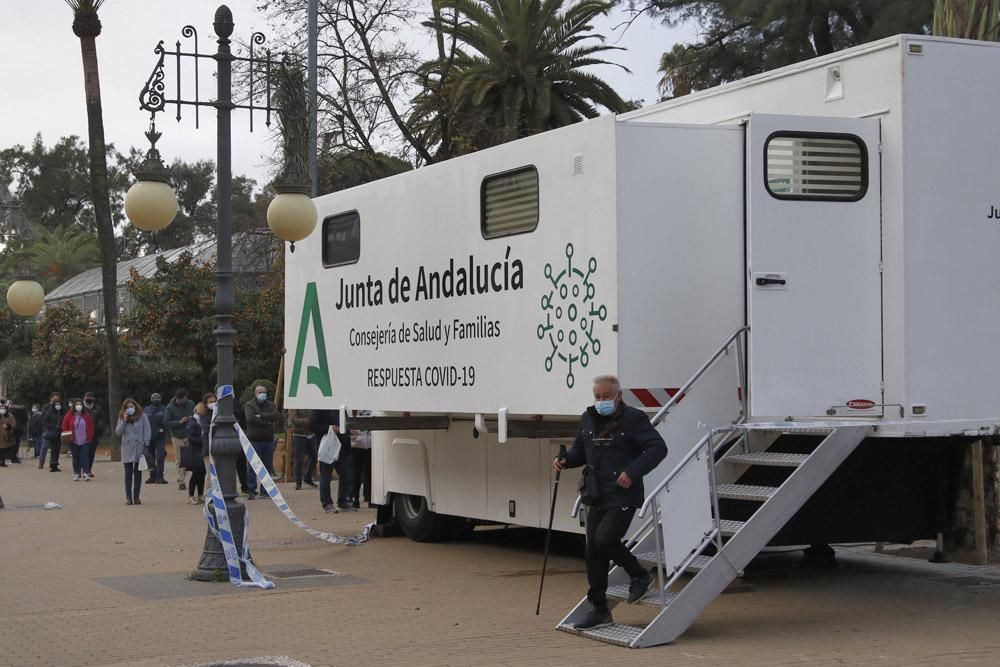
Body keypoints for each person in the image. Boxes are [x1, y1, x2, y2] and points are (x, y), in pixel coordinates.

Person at [554, 374, 668, 631]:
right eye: (598, 396)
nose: (601, 401)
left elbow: (657, 448)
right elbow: (579, 452)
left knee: (605, 539)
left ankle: (639, 574)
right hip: (596, 492)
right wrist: (565, 460)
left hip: (623, 493)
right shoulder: (588, 418)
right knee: (593, 552)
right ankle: (599, 609)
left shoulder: (634, 419)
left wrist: (633, 471)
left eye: (606, 396)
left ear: (618, 396)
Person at [310, 409, 354, 513]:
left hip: (342, 445)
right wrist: (329, 429)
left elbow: (345, 423)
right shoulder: (320, 408)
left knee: (346, 474)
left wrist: (349, 430)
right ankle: (327, 503)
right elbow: (312, 426)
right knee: (326, 474)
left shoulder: (342, 408)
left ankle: (343, 501)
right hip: (328, 446)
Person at [243, 385, 280, 499]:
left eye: (264, 392)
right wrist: (267, 422)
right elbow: (250, 419)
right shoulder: (249, 405)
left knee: (267, 466)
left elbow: (275, 416)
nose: (262, 394)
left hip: (268, 440)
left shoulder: (271, 404)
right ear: (255, 393)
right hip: (254, 440)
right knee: (252, 467)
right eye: (260, 392)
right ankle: (251, 491)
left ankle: (265, 491)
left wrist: (261, 416)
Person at [115, 398, 150, 505]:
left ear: (135, 406)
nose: (130, 409)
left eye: (132, 406)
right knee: (128, 473)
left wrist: (146, 444)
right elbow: (118, 432)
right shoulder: (122, 417)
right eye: (127, 407)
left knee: (138, 473)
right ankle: (128, 497)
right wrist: (124, 421)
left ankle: (136, 496)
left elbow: (147, 431)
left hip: (139, 446)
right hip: (127, 447)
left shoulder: (142, 416)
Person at [183, 394, 213, 505]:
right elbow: (190, 438)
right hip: (194, 451)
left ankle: (200, 494)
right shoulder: (193, 422)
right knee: (195, 475)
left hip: (202, 450)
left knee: (202, 474)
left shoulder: (204, 421)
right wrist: (203, 440)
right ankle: (191, 495)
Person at [164, 389, 195, 491]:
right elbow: (167, 422)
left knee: (188, 458)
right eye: (182, 399)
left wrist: (192, 418)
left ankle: (183, 477)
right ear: (178, 398)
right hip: (177, 436)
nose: (184, 400)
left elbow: (196, 415)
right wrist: (179, 422)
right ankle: (181, 481)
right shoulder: (170, 407)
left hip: (189, 435)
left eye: (186, 398)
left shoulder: (190, 403)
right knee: (179, 459)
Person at [61, 398, 96, 481]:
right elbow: (64, 425)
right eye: (77, 404)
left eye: (80, 404)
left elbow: (91, 426)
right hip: (73, 440)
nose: (78, 406)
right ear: (74, 405)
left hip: (85, 440)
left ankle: (85, 473)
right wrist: (68, 434)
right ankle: (76, 473)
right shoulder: (69, 415)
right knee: (76, 457)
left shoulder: (86, 415)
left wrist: (90, 436)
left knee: (85, 457)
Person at [288, 408, 317, 490]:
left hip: (311, 434)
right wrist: (309, 421)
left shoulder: (311, 404)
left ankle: (307, 477)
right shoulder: (295, 404)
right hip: (299, 435)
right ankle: (298, 482)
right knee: (299, 459)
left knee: (314, 456)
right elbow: (294, 420)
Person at [350, 410, 372, 508]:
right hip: (356, 446)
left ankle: (371, 498)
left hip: (370, 445)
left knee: (370, 473)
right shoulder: (351, 409)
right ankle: (355, 498)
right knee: (356, 474)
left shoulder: (371, 408)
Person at [144, 393, 167, 484]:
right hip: (149, 437)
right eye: (154, 398)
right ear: (151, 399)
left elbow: (167, 421)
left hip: (160, 437)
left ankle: (160, 476)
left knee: (161, 455)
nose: (156, 399)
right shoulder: (146, 409)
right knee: (150, 457)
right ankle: (152, 475)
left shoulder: (164, 409)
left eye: (158, 398)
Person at [39, 393, 65, 471]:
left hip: (58, 432)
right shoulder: (46, 407)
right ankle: (41, 462)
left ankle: (53, 463)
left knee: (56, 448)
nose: (56, 401)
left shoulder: (62, 410)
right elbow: (44, 419)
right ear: (51, 398)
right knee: (45, 447)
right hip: (48, 431)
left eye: (58, 399)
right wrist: (50, 426)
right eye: (55, 399)